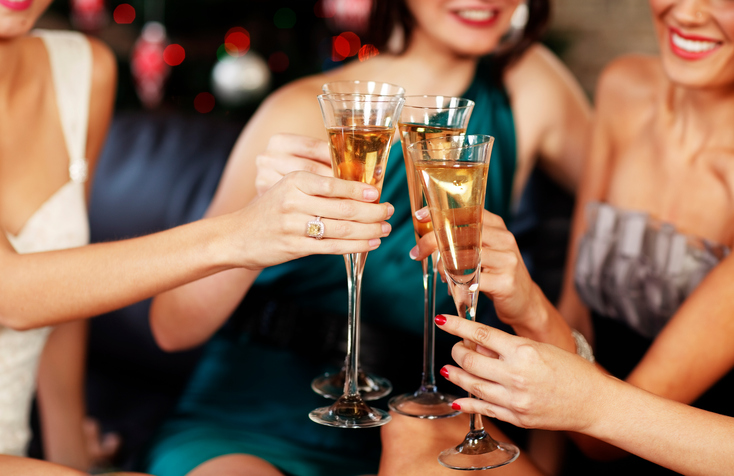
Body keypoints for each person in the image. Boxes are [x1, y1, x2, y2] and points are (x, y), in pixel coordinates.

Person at [143, 0, 591, 475]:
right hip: (259, 413)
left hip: (432, 417)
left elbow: (609, 213)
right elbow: (172, 328)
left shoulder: (528, 86)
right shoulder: (300, 109)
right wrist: (255, 232)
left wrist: (551, 446)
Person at [0, 0, 392, 472]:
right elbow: (13, 294)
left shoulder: (82, 67)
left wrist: (70, 453)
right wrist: (239, 234)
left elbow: (62, 288)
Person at [410, 0, 734, 472]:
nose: (687, 13)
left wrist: (529, 307)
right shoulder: (625, 86)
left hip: (661, 445)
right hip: (567, 418)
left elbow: (608, 438)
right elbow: (575, 304)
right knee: (409, 428)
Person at [434, 312, 734, 476]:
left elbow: (603, 437)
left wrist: (593, 400)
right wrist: (532, 310)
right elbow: (557, 365)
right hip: (583, 443)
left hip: (653, 447)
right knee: (415, 427)